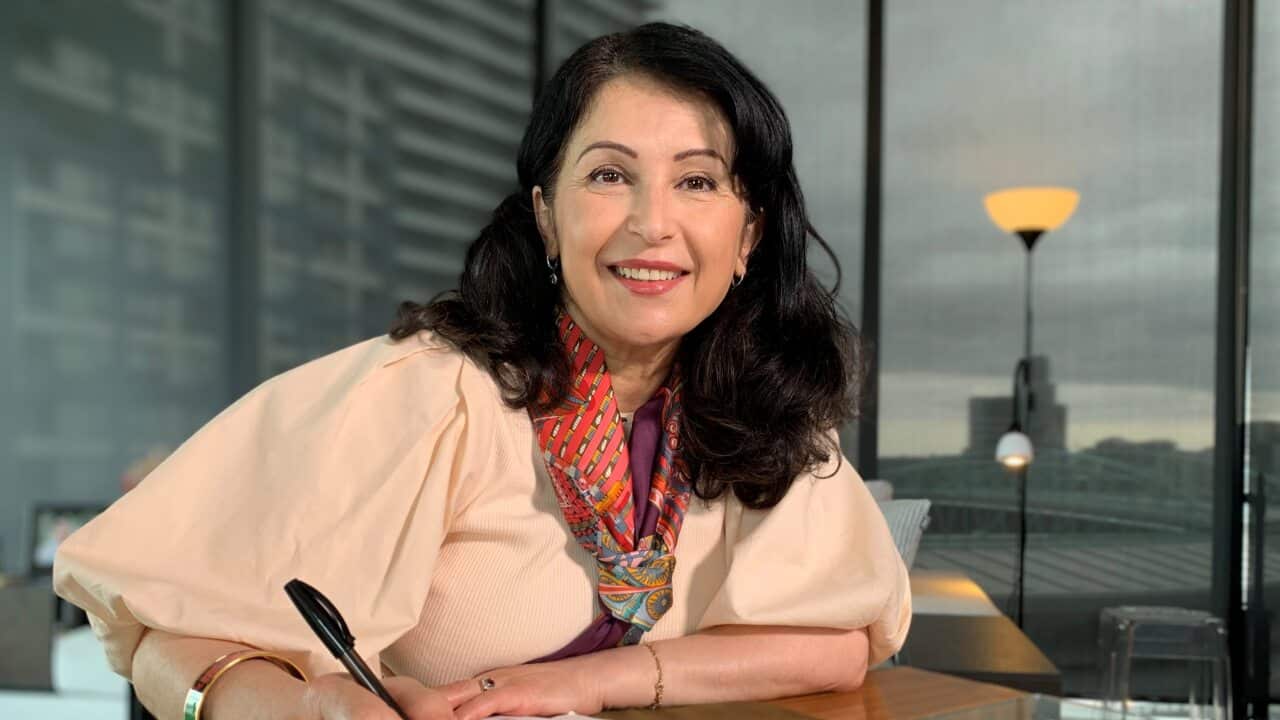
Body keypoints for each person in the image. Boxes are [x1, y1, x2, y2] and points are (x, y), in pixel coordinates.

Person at [54, 22, 911, 720]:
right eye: (610, 175)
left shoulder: (764, 404)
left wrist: (583, 683)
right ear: (545, 215)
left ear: (749, 236)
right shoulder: (427, 393)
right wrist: (305, 707)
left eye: (697, 182)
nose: (653, 224)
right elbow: (165, 631)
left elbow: (833, 645)